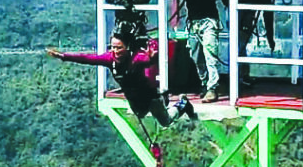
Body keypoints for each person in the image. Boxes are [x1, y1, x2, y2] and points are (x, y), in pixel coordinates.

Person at [46, 33, 195, 126]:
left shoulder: (135, 59)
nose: (115, 51)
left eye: (119, 47)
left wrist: (152, 57)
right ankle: (164, 96)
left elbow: (146, 61)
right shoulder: (108, 59)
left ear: (127, 48)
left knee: (165, 121)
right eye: (113, 47)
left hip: (149, 96)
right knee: (140, 114)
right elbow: (87, 58)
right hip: (133, 97)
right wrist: (63, 56)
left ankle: (182, 103)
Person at [167, 0, 228, 103]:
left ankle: (212, 87)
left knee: (210, 54)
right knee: (195, 56)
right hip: (193, 24)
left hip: (209, 22)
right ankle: (204, 83)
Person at [237, 0, 276, 88]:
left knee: (239, 48)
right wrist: (270, 39)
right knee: (239, 48)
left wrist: (270, 39)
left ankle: (242, 76)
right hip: (242, 22)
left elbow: (268, 16)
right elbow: (268, 18)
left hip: (242, 22)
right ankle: (242, 76)